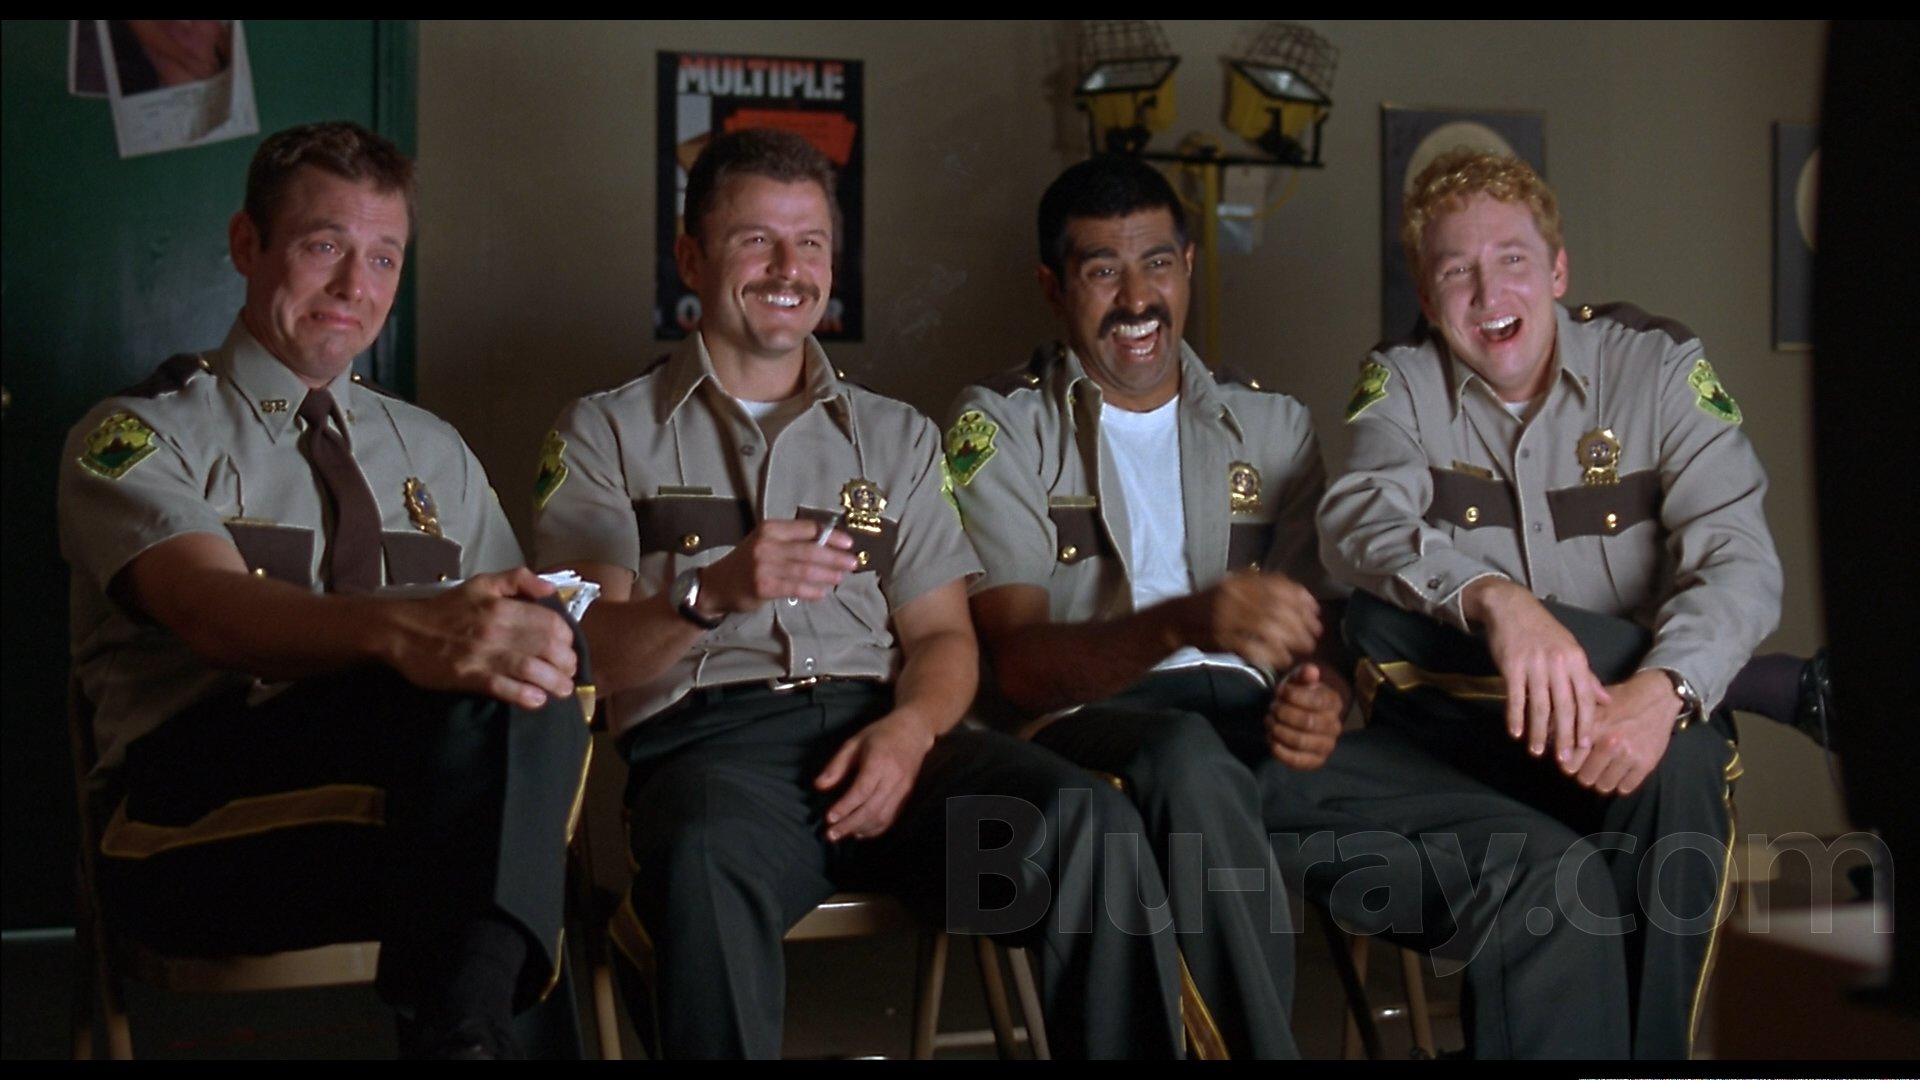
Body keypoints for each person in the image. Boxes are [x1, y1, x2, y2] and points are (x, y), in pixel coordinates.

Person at [530, 128, 1182, 1060]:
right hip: (717, 761)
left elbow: (945, 640)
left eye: (810, 243)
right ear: (691, 258)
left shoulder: (897, 437)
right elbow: (583, 653)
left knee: (1087, 826)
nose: (787, 269)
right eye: (756, 240)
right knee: (702, 871)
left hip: (893, 752)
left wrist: (910, 734)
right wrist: (709, 595)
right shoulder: (604, 432)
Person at [58, 121, 589, 1059]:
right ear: (246, 244)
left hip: (400, 818)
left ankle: (464, 1040)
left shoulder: (434, 452)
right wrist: (406, 629)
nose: (355, 287)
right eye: (322, 247)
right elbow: (211, 613)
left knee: (524, 674)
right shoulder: (139, 435)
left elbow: (514, 631)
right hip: (198, 828)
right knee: (502, 831)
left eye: (383, 259)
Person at [1306, 148, 1784, 1058]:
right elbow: (1358, 521)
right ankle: (1775, 686)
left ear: (1558, 271)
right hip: (1468, 739)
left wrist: (1665, 690)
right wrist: (1497, 601)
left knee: (1683, 757)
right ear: (1426, 293)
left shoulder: (1657, 367)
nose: (1490, 292)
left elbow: (1742, 560)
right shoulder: (1399, 383)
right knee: (1377, 619)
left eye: (1513, 259)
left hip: (1624, 734)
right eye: (1457, 270)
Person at [942, 155, 1346, 1059]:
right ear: (1053, 286)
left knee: (1510, 840)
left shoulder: (1273, 424)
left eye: (1157, 263)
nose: (1137, 299)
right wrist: (1183, 623)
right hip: (1097, 722)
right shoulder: (1001, 426)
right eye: (1102, 270)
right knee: (1188, 757)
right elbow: (1019, 668)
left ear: (1189, 265)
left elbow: (1322, 628)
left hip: (1255, 727)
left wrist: (1326, 694)